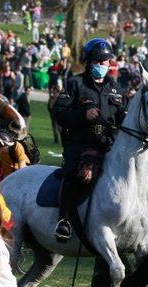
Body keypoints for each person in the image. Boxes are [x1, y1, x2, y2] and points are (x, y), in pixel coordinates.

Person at [52, 38, 127, 242]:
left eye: (106, 62)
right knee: (72, 171)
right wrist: (82, 115)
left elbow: (122, 119)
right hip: (79, 143)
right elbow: (59, 111)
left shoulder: (116, 89)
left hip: (107, 144)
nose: (103, 65)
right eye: (99, 61)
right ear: (89, 61)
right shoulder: (75, 84)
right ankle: (64, 220)